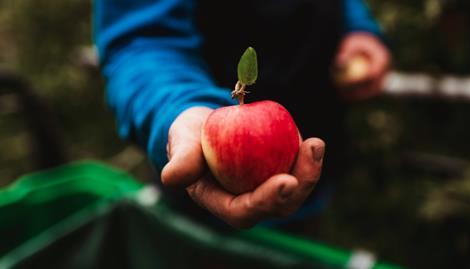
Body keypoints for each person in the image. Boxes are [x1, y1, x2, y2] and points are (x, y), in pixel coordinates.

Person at [94, 0, 390, 228]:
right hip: (202, 206)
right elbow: (142, 39)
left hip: (314, 176)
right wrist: (182, 106)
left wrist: (355, 27)